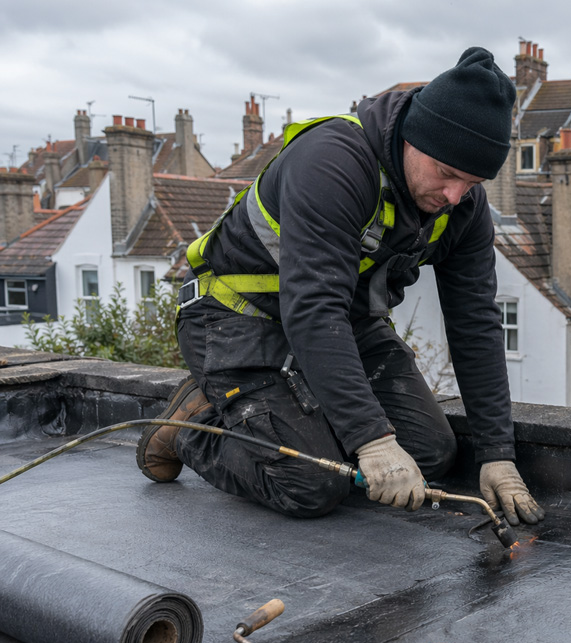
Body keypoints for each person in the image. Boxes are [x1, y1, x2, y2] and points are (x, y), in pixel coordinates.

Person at [136, 47, 544, 529]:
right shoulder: (332, 163)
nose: (455, 196)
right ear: (412, 139)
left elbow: (475, 323)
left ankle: (297, 417)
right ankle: (193, 426)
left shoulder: (462, 207)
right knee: (310, 483)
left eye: (472, 182)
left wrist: (497, 453)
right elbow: (314, 308)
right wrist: (372, 440)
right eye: (447, 173)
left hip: (342, 327)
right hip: (236, 318)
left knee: (428, 455)